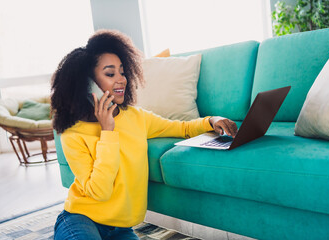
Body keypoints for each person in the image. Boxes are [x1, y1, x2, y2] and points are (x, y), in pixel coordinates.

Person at [51, 29, 238, 240]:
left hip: (122, 228)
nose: (122, 79)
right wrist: (107, 132)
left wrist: (211, 121)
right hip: (81, 218)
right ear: (88, 85)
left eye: (122, 72)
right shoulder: (72, 134)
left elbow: (180, 128)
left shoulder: (136, 117)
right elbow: (100, 192)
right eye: (110, 74)